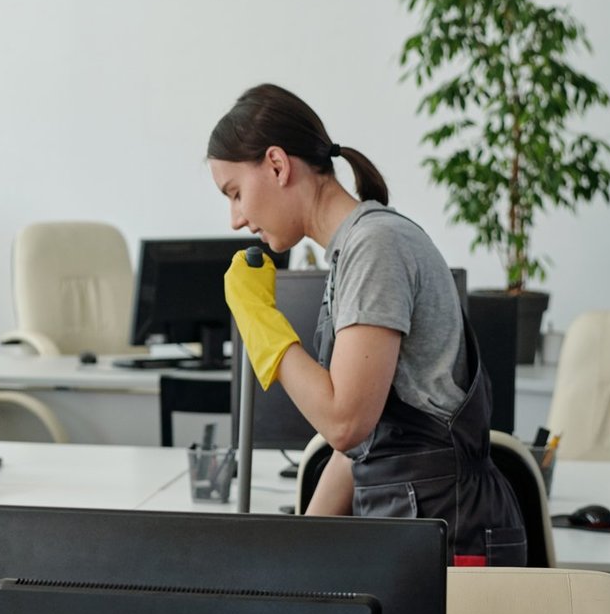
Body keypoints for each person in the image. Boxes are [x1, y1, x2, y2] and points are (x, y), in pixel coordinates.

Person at [209, 83, 525, 566]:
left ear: (277, 164)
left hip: (448, 529)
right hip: (416, 523)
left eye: (234, 193)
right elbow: (363, 449)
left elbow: (345, 423)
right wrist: (295, 558)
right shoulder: (353, 251)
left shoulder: (376, 246)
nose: (235, 218)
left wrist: (260, 322)